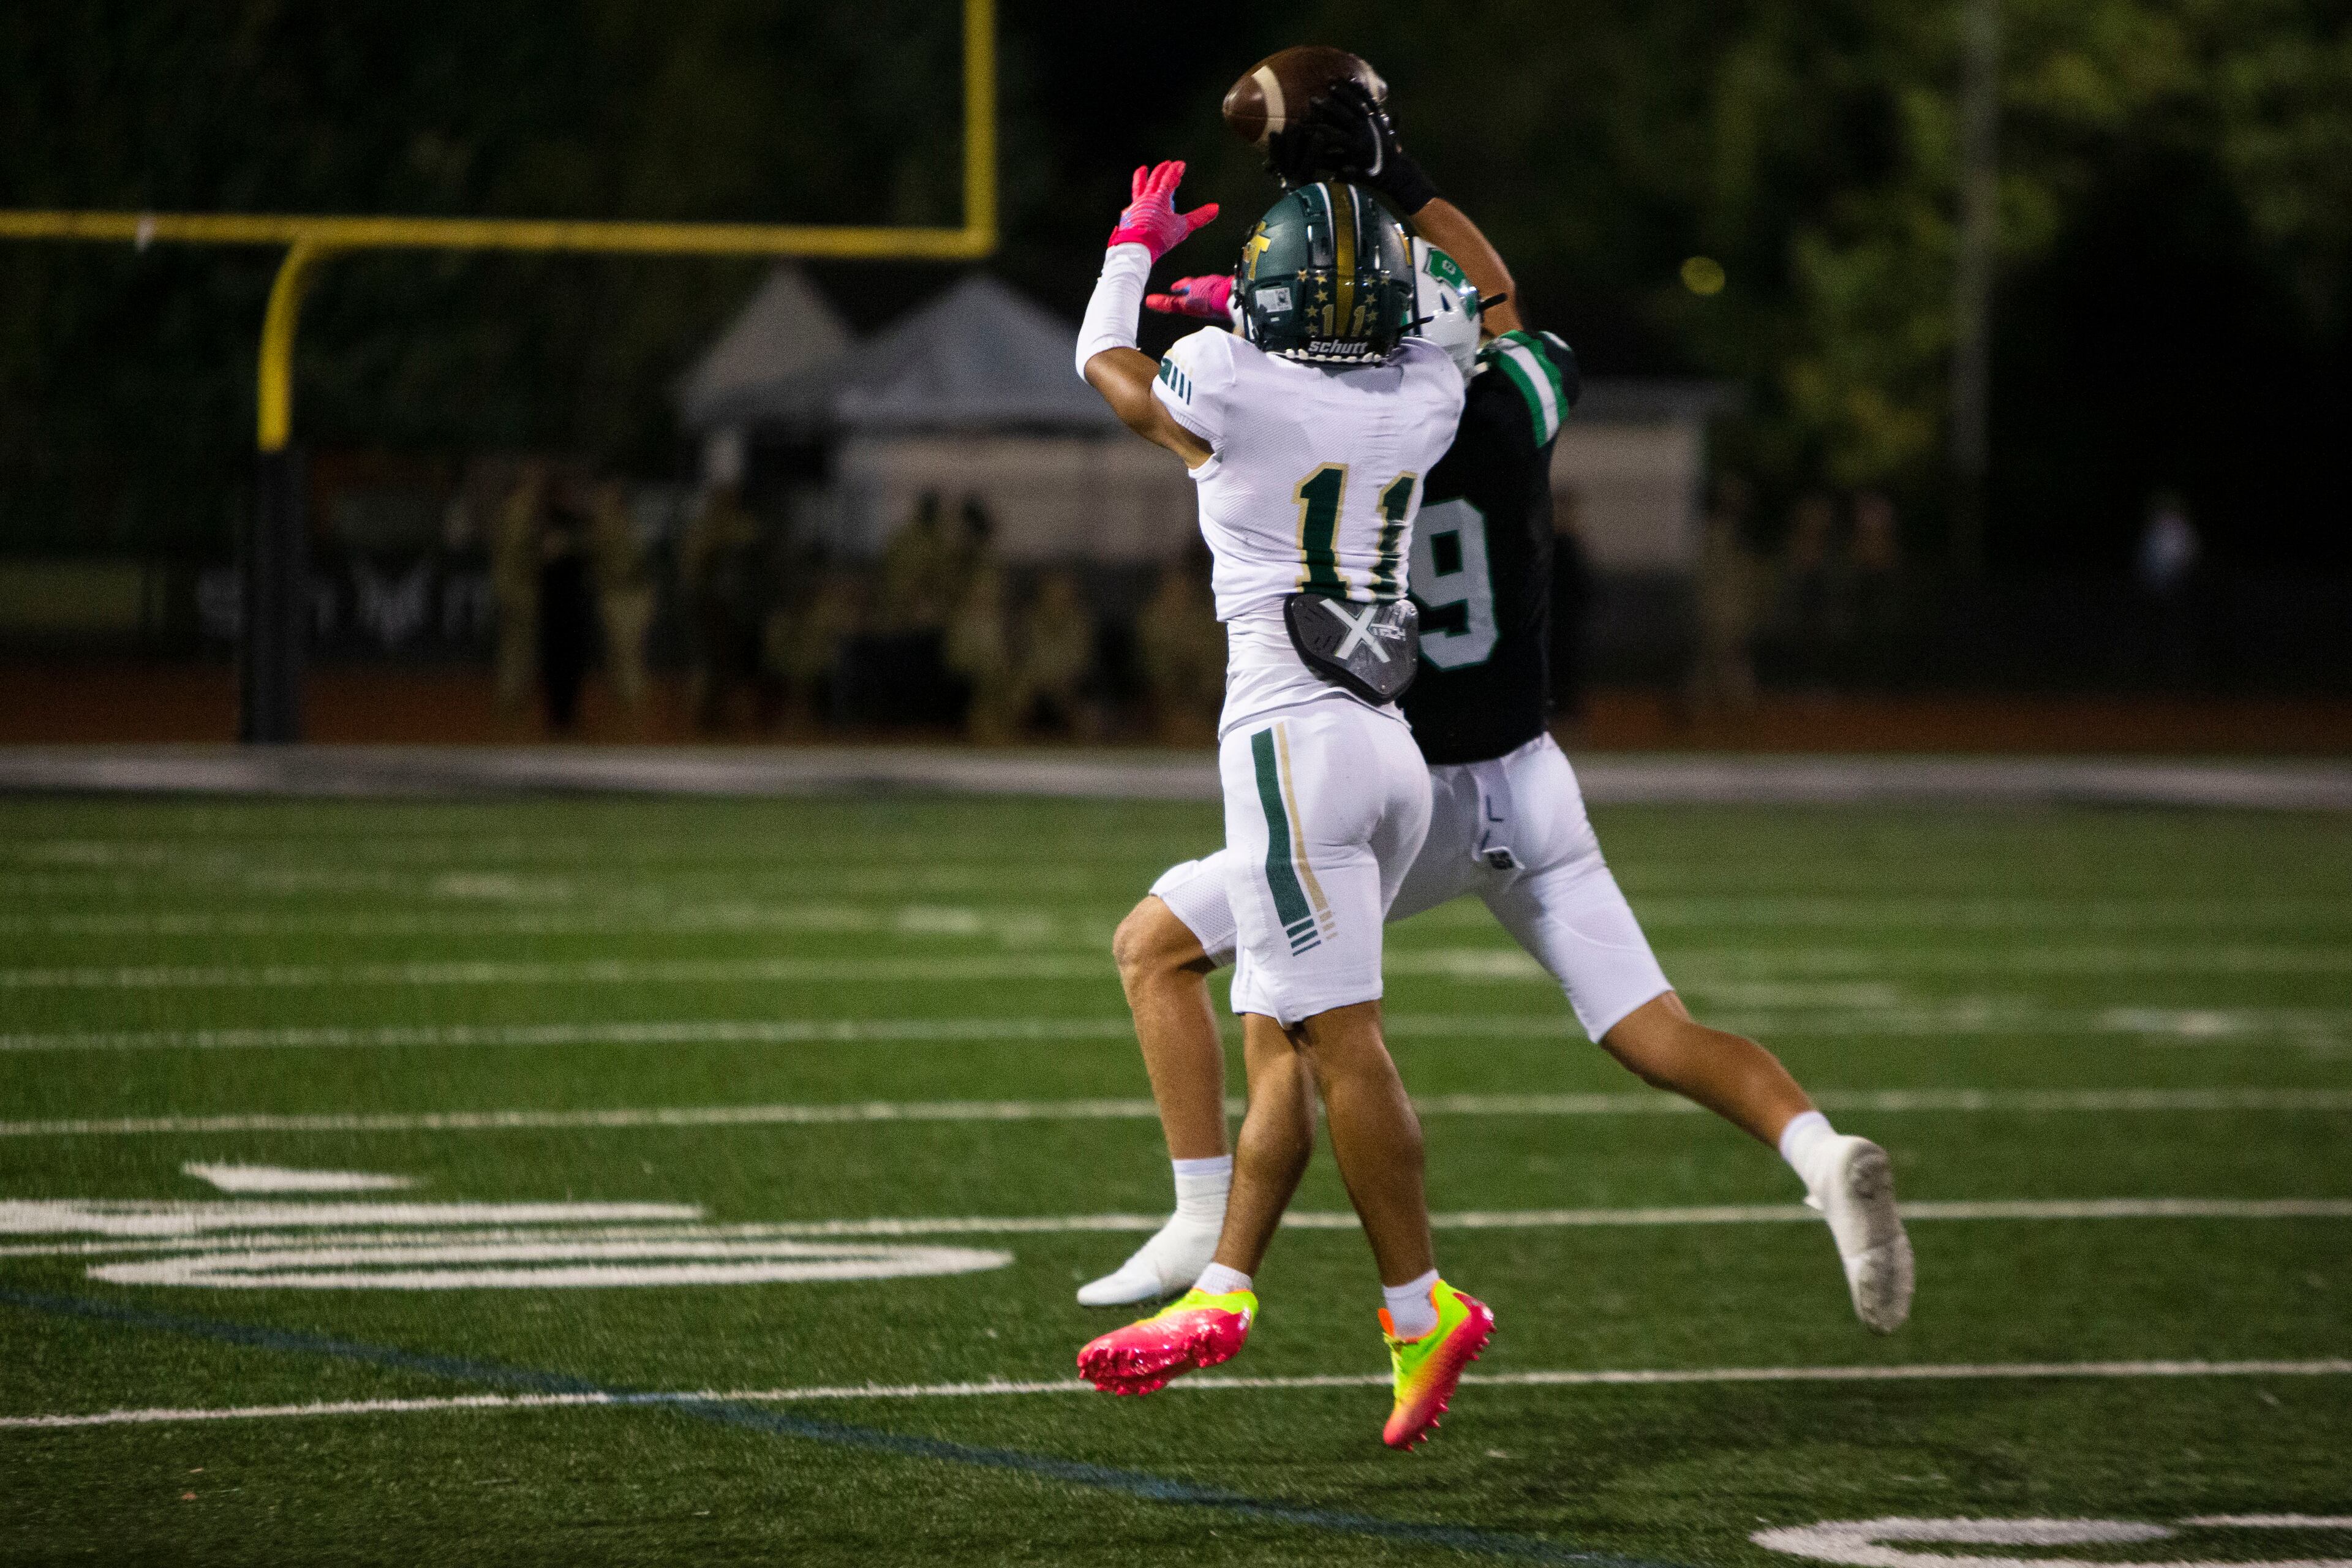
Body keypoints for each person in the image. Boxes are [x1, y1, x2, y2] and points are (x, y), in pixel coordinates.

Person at [1079, 80, 1914, 1373]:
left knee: (1274, 1011)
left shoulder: (1255, 399)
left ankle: (1231, 1261)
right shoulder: (1463, 404)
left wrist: (1172, 276)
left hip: (1378, 761)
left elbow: (1156, 372)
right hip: (1525, 775)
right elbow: (1496, 304)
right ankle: (1817, 1147)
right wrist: (1401, 178)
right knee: (1654, 1028)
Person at [1068, 159, 1479, 1450]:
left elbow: (1105, 362)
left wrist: (1136, 250)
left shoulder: (1229, 379)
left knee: (1335, 1036)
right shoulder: (1425, 390)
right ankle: (1221, 1269)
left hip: (1290, 748)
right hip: (1387, 751)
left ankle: (1421, 1306)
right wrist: (1383, 200)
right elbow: (1465, 296)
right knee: (1173, 952)